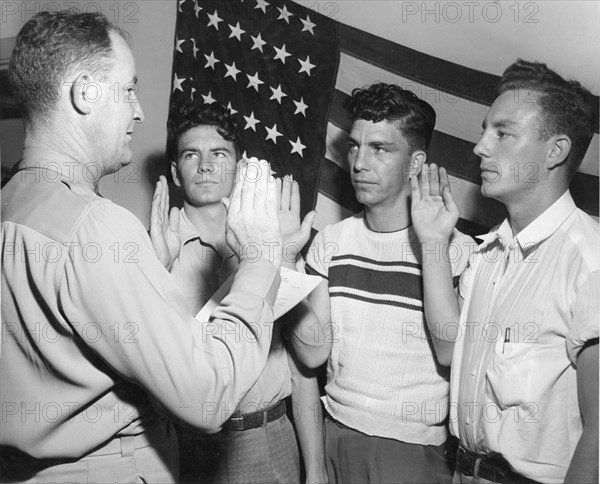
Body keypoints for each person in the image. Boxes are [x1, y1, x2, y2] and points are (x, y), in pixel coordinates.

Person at [0, 11, 308, 483]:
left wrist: (148, 279)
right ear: (85, 93)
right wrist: (262, 259)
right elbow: (207, 396)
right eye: (128, 89)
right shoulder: (96, 225)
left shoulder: (12, 204)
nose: (139, 110)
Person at [410, 59, 599, 484]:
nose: (479, 146)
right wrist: (434, 245)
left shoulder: (589, 262)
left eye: (503, 133)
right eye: (483, 130)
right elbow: (449, 350)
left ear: (555, 151)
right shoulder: (490, 252)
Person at [291, 82, 475, 483]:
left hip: (412, 449)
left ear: (415, 163)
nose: (359, 163)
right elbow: (309, 357)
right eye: (355, 146)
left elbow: (452, 351)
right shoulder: (332, 242)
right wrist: (316, 466)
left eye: (380, 148)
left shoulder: (457, 250)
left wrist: (433, 249)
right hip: (335, 431)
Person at [150, 101, 325, 484]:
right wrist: (156, 270)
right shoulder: (154, 252)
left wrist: (316, 467)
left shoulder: (271, 240)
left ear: (240, 165)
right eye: (191, 154)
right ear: (176, 174)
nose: (206, 165)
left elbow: (306, 361)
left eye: (219, 153)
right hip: (190, 446)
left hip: (270, 436)